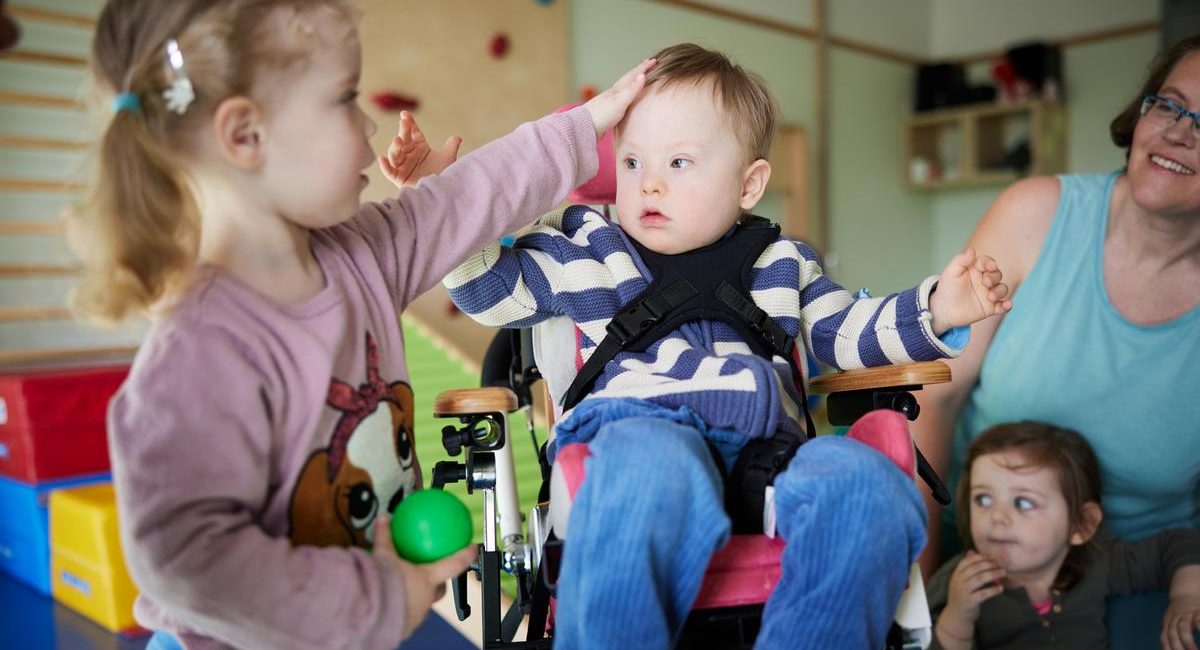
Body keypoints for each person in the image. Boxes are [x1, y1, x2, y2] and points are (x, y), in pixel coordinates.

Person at [76, 0, 654, 647]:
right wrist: (373, 600)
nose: (368, 123)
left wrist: (588, 124)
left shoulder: (362, 257)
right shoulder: (202, 348)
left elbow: (474, 193)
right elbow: (185, 557)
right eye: (345, 98)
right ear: (246, 135)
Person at [439, 43, 1011, 649]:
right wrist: (447, 207)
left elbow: (851, 333)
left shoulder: (781, 263)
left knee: (868, 488)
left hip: (766, 455)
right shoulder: (588, 252)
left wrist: (938, 307)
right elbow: (487, 287)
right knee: (650, 473)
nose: (649, 182)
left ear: (749, 184)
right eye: (631, 162)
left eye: (679, 162)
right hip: (635, 430)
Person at [910, 34, 1200, 648]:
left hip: (1147, 579)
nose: (1179, 132)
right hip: (981, 556)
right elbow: (934, 393)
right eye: (1170, 104)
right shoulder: (1035, 213)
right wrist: (918, 588)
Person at [927, 421, 1200, 650]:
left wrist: (1187, 596)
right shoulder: (960, 581)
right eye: (983, 499)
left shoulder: (1098, 563)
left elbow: (1177, 545)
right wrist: (957, 617)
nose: (996, 516)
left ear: (1082, 524)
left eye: (1023, 502)